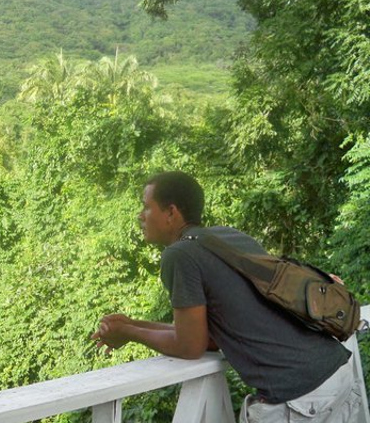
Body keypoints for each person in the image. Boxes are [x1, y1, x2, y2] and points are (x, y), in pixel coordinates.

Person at [91, 171, 361, 422]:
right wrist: (132, 325)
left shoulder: (179, 256)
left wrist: (129, 333)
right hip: (336, 372)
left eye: (146, 206)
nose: (141, 215)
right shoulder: (229, 236)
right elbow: (207, 337)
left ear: (171, 212)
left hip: (300, 397)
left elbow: (190, 346)